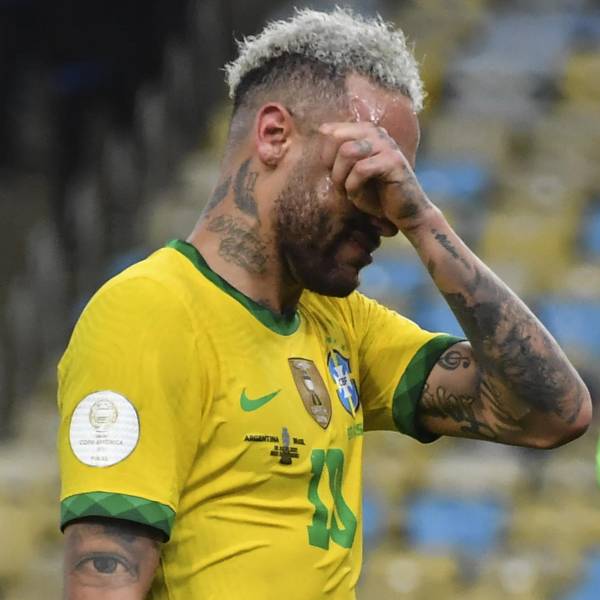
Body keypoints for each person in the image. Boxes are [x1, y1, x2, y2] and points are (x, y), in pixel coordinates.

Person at [57, 8, 592, 599]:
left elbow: (553, 414)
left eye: (398, 186)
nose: (386, 217)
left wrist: (424, 220)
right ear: (274, 135)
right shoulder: (149, 312)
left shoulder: (344, 324)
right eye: (367, 176)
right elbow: (103, 583)